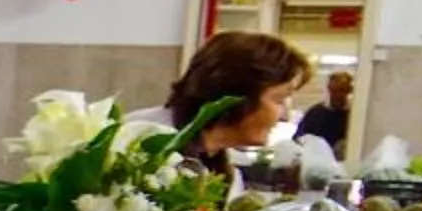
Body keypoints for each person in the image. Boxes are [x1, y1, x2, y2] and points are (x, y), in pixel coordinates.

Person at [134, 31, 313, 167]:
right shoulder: (141, 144)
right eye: (279, 99)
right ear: (236, 94)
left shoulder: (220, 166)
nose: (284, 116)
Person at [295, 69, 353, 153]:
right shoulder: (315, 113)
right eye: (333, 90)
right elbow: (299, 138)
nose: (337, 95)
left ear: (349, 90)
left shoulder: (354, 116)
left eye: (341, 90)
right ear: (329, 89)